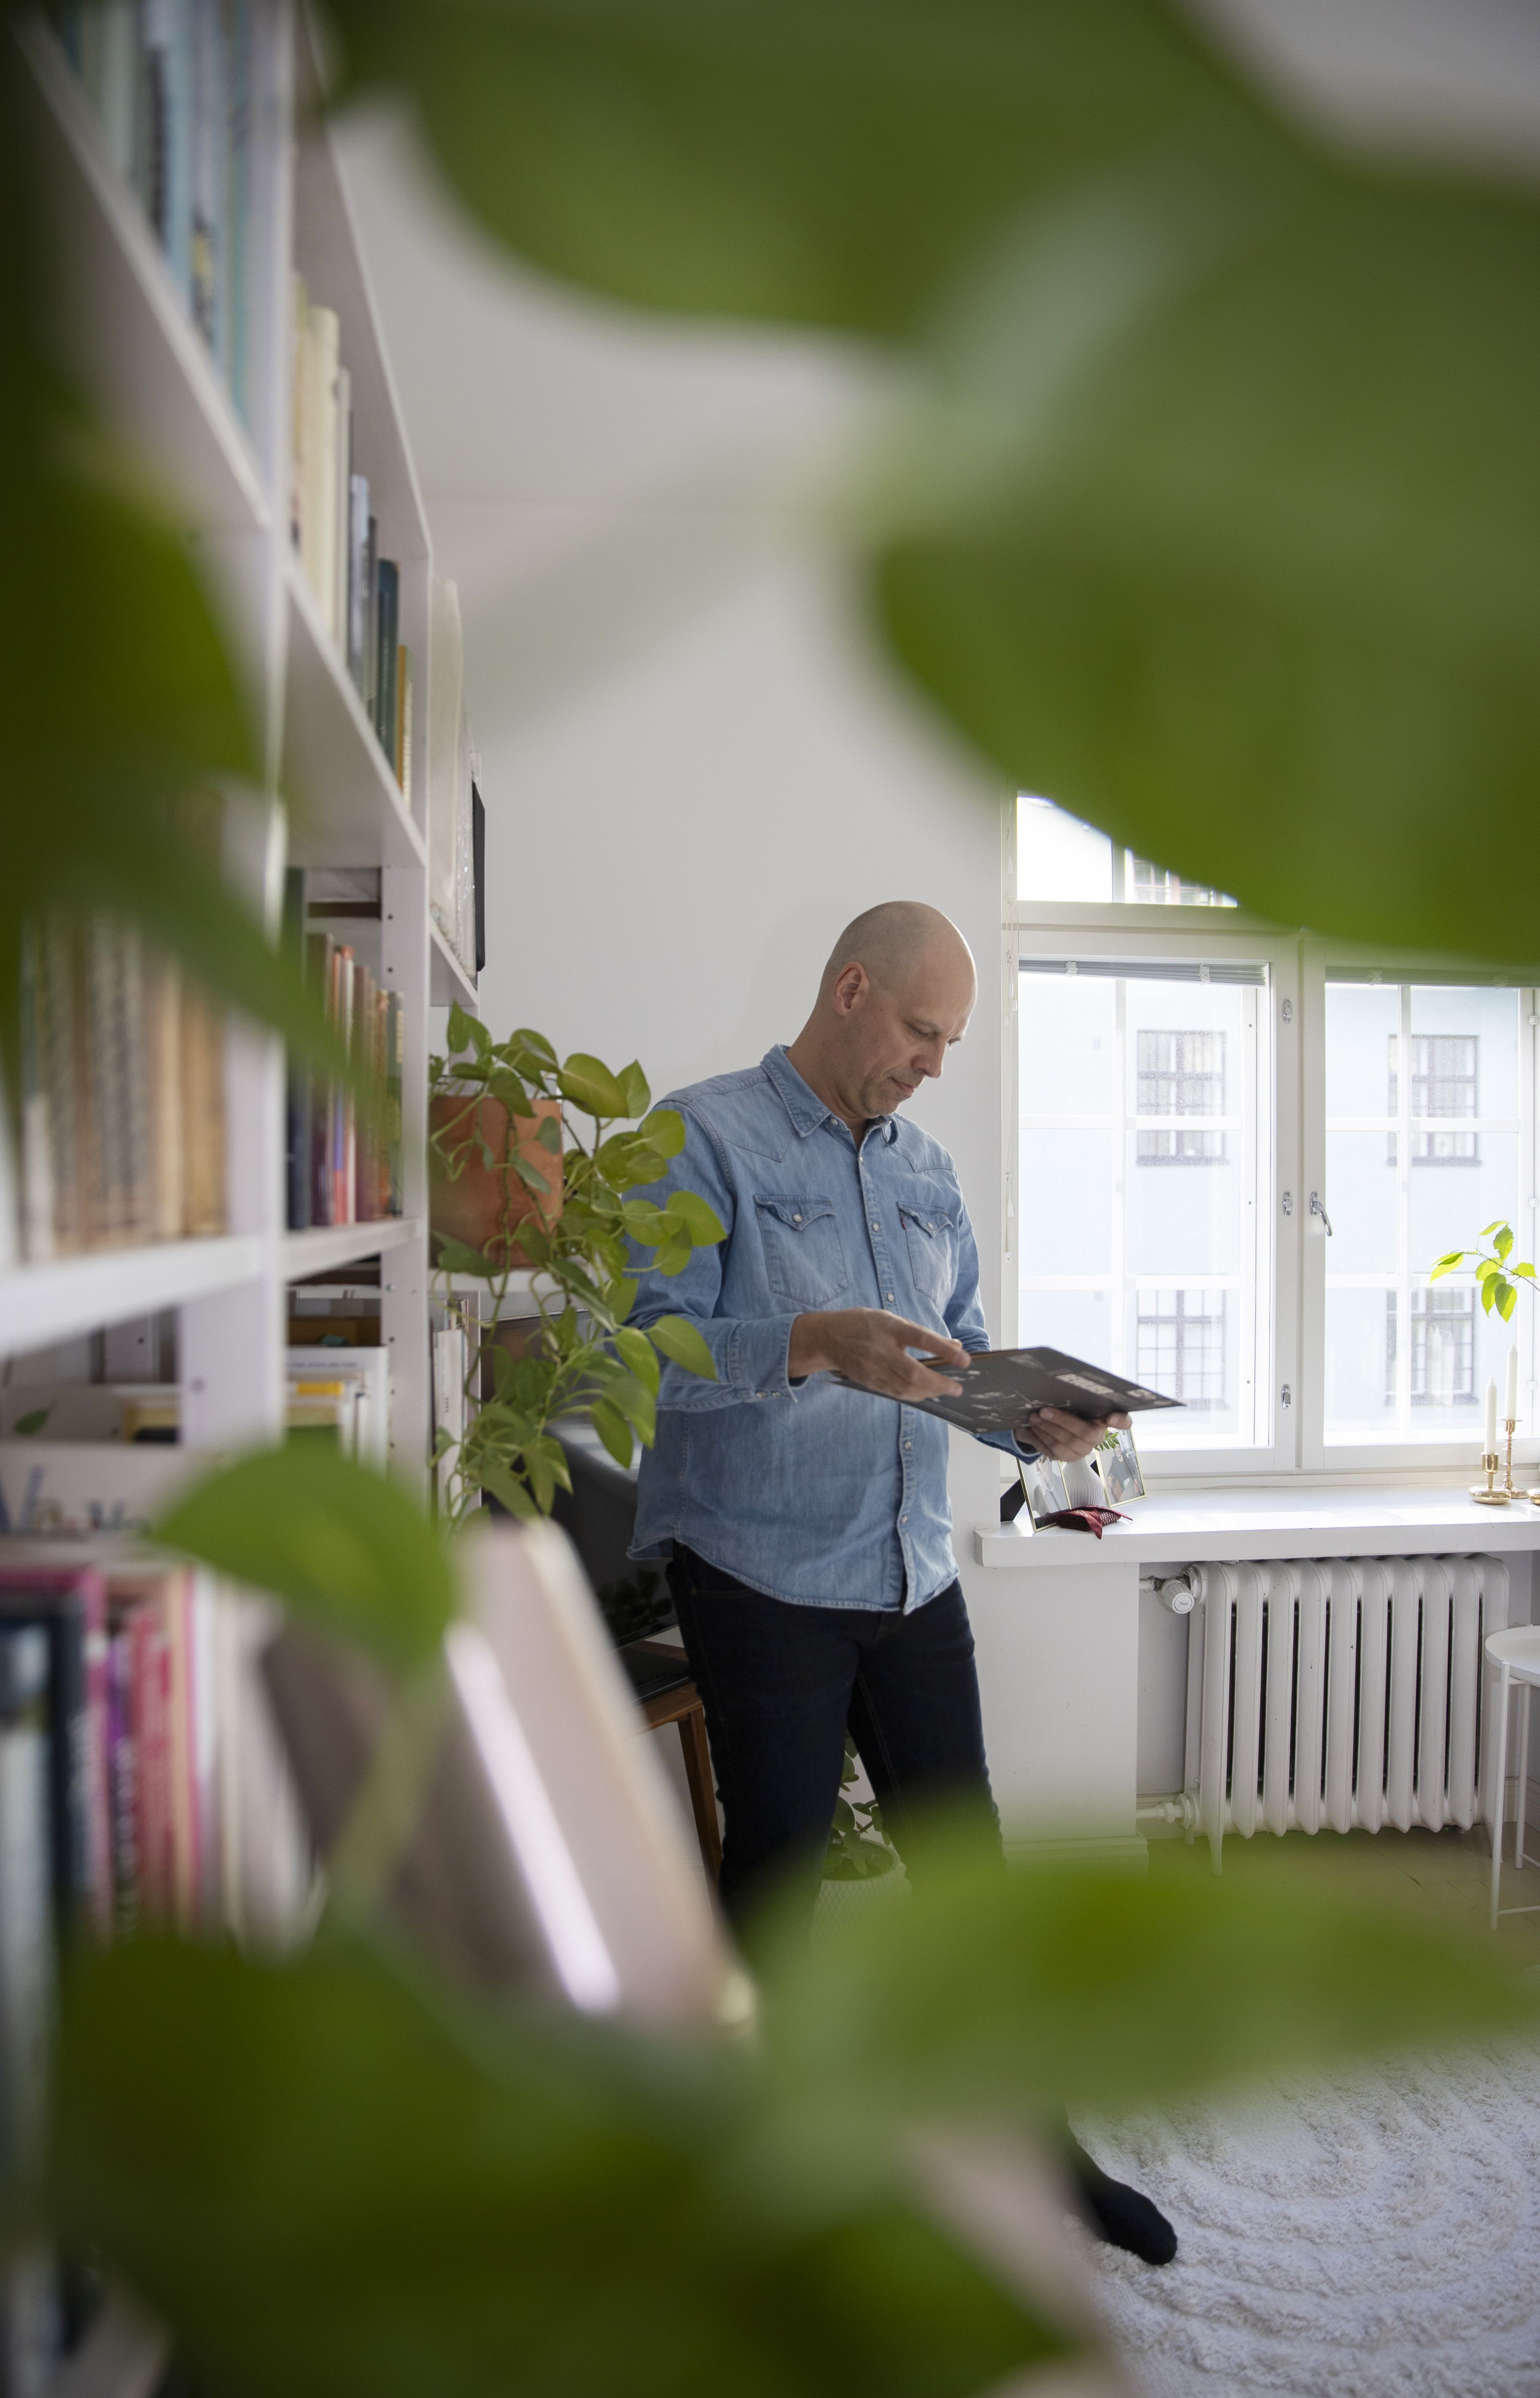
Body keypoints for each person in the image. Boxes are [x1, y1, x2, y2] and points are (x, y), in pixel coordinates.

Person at [625, 900, 1175, 2265]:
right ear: (852, 990)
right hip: (757, 1566)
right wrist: (813, 1341)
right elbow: (646, 1348)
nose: (935, 1062)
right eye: (923, 1031)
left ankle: (1040, 2138)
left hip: (907, 1568)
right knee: (778, 1878)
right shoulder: (701, 1137)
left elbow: (961, 1359)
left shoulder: (927, 1169)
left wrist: (1026, 1421)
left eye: (953, 1042)